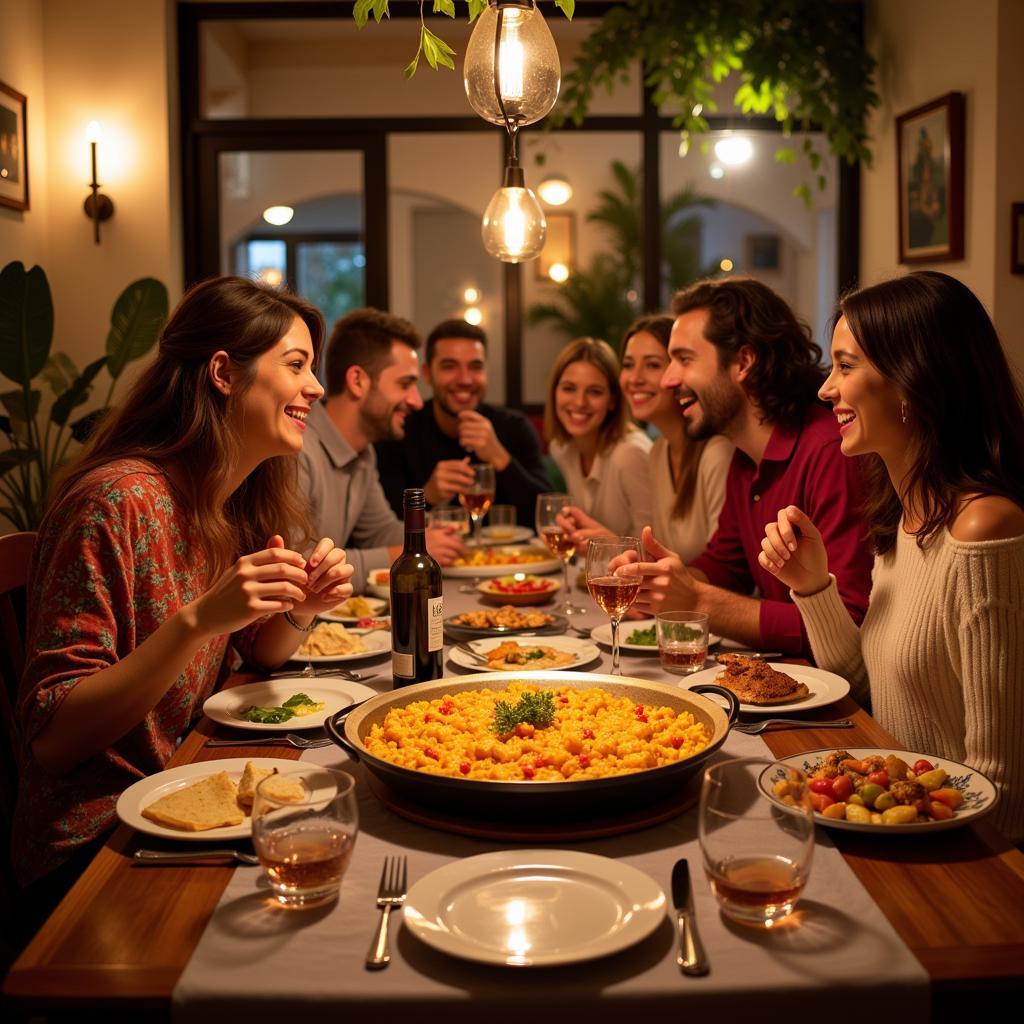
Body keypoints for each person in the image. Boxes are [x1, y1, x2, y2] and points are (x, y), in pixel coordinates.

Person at [13, 277, 355, 897]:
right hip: (97, 848)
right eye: (297, 365)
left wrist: (301, 609)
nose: (316, 386)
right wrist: (197, 622)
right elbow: (56, 741)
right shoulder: (116, 503)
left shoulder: (228, 501)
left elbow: (257, 653)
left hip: (190, 789)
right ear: (223, 373)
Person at [758, 271, 1024, 841]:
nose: (827, 389)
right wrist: (812, 587)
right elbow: (865, 691)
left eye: (846, 366)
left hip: (954, 848)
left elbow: (1004, 788)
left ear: (914, 380)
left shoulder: (982, 528)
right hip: (893, 817)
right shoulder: (904, 514)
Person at [622, 278, 874, 657]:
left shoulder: (829, 451)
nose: (668, 379)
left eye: (684, 359)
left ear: (743, 362)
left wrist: (696, 601)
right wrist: (657, 580)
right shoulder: (743, 457)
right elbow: (725, 567)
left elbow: (849, 623)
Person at [300, 308, 463, 591]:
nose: (416, 401)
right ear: (357, 381)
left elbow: (379, 533)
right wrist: (405, 555)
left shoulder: (363, 453)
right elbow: (300, 566)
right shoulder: (298, 450)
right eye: (405, 384)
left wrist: (428, 536)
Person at [560, 315, 733, 561]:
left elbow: (726, 573)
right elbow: (663, 561)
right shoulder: (658, 452)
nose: (635, 379)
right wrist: (610, 544)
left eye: (652, 365)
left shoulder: (717, 452)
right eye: (628, 365)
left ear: (679, 372)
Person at [375, 319, 552, 526]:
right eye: (449, 366)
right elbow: (380, 528)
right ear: (427, 374)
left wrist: (499, 457)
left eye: (475, 367)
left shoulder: (514, 426)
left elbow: (548, 514)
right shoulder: (401, 429)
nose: (465, 379)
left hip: (506, 557)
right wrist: (427, 496)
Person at [544, 336, 652, 539]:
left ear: (612, 400)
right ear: (554, 392)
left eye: (594, 392)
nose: (579, 402)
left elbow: (653, 549)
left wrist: (605, 544)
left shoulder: (630, 455)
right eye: (569, 388)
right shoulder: (562, 449)